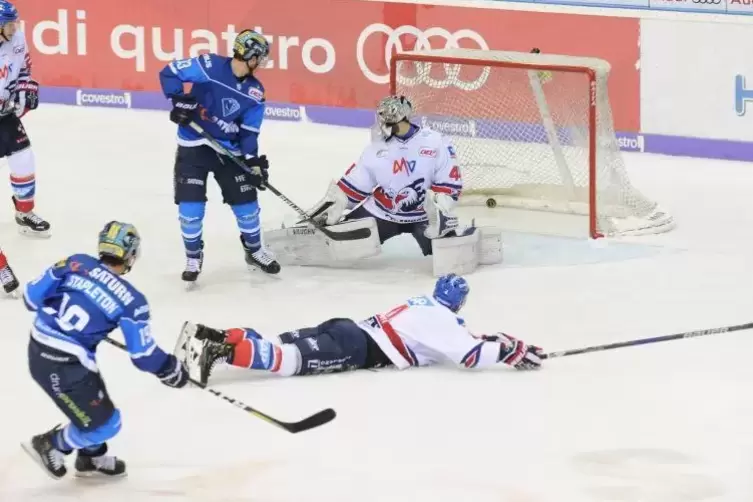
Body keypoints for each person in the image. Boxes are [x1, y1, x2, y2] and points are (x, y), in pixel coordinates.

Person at [20, 221, 188, 480]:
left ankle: (91, 458)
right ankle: (52, 444)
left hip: (40, 349)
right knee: (108, 424)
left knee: (94, 404)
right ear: (131, 255)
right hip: (64, 367)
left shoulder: (75, 262)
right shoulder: (133, 302)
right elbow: (143, 356)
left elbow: (31, 298)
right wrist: (170, 369)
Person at [263, 95, 501, 274]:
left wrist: (440, 208)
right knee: (340, 240)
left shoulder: (436, 142)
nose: (382, 126)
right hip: (382, 211)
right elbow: (357, 183)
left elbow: (450, 184)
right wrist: (337, 203)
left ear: (403, 119)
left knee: (446, 256)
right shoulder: (377, 147)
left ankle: (468, 235)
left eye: (388, 122)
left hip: (422, 215)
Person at [177, 274, 544, 385]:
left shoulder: (422, 303)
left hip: (347, 327)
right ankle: (220, 352)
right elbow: (469, 356)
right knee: (289, 361)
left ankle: (215, 337)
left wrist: (498, 339)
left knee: (275, 340)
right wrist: (507, 351)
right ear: (460, 302)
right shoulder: (443, 321)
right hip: (357, 348)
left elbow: (461, 339)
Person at [158, 29, 279, 284]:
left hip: (229, 152)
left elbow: (248, 133)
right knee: (190, 211)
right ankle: (193, 256)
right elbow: (170, 72)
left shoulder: (255, 92)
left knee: (247, 208)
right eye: (260, 57)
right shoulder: (209, 65)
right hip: (194, 144)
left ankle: (255, 250)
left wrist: (253, 162)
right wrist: (178, 101)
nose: (262, 63)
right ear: (250, 55)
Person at [0, 1, 50, 237]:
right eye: (9, 24)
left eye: (15, 23)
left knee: (23, 158)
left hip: (4, 114)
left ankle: (24, 211)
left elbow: (23, 71)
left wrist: (25, 90)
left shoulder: (17, 39)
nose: (14, 28)